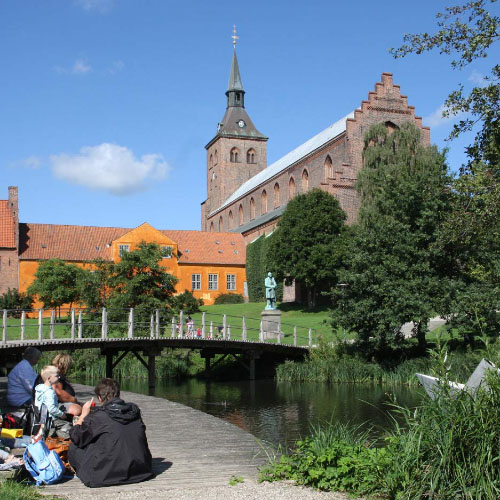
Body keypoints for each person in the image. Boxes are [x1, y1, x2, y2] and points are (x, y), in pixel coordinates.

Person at [68, 378, 153, 488]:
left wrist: (84, 415)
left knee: (74, 448)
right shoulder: (134, 411)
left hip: (103, 476)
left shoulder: (99, 416)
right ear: (118, 394)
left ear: (99, 398)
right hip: (141, 471)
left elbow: (76, 437)